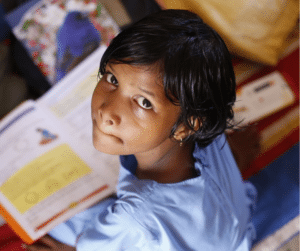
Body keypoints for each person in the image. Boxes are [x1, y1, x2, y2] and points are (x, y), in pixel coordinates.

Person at [26, 9, 256, 251]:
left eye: (144, 102)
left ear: (186, 126)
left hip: (180, 234)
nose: (107, 111)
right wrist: (235, 157)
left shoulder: (132, 217)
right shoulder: (202, 118)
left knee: (63, 225)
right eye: (112, 79)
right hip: (230, 229)